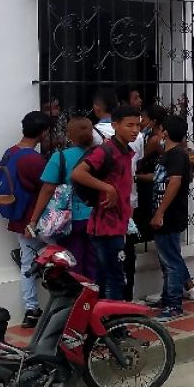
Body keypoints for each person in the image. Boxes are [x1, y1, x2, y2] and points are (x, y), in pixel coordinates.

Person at [71, 105, 140, 301]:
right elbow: (78, 173)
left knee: (103, 277)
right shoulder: (106, 150)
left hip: (118, 225)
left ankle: (100, 322)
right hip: (105, 226)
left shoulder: (127, 151)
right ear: (115, 125)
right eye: (130, 125)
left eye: (138, 125)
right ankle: (115, 325)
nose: (135, 130)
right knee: (115, 278)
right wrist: (108, 188)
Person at [28, 116, 98, 283]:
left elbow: (47, 189)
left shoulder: (60, 157)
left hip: (70, 219)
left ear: (69, 135)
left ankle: (77, 301)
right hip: (97, 216)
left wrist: (33, 220)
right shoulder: (100, 155)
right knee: (95, 262)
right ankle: (94, 299)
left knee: (73, 262)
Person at [0, 111, 51, 327]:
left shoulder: (10, 153)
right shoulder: (34, 158)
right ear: (43, 132)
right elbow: (47, 187)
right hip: (36, 219)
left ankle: (31, 309)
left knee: (27, 265)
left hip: (18, 217)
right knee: (63, 256)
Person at [149, 115, 194, 321]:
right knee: (167, 259)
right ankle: (168, 297)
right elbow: (162, 178)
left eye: (160, 130)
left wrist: (160, 212)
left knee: (172, 261)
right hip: (166, 214)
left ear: (165, 132)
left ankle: (174, 305)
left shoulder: (176, 155)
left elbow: (174, 182)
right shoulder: (170, 154)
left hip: (169, 215)